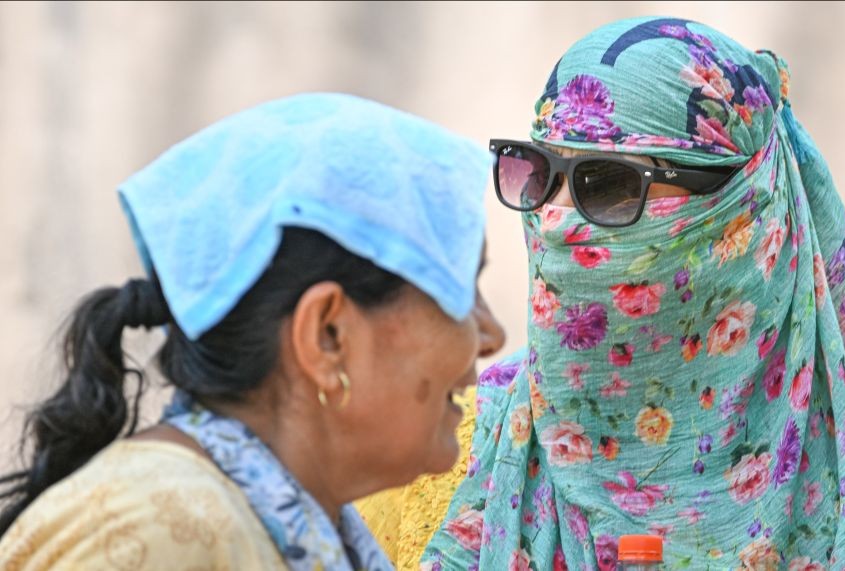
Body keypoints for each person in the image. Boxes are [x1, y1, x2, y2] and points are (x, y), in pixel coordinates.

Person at [421, 17, 845, 570]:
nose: (553, 220)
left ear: (738, 214)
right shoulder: (457, 441)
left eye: (609, 184)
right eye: (539, 173)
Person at [0, 93, 505, 570]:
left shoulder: (288, 523)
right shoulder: (160, 527)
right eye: (462, 288)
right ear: (327, 335)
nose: (492, 335)